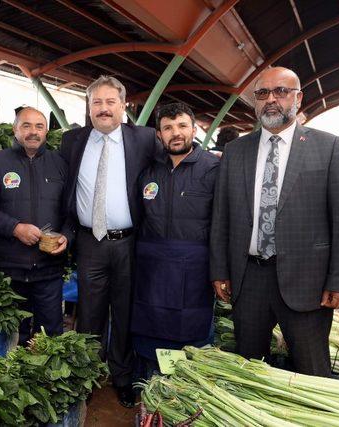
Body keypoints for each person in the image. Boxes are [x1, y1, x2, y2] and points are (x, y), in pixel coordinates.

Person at [209, 66, 339, 376]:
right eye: (262, 93)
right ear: (254, 102)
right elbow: (221, 215)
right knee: (250, 369)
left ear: (298, 98)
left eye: (280, 91)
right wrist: (220, 269)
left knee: (313, 370)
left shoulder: (327, 146)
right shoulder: (236, 151)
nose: (271, 99)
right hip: (249, 278)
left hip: (308, 281)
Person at [60, 75, 159, 407]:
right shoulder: (72, 141)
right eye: (96, 103)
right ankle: (87, 375)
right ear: (88, 107)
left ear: (123, 105)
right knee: (89, 313)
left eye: (110, 102)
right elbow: (64, 191)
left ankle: (121, 376)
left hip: (129, 243)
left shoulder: (145, 139)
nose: (103, 109)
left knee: (126, 311)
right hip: (89, 242)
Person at [131, 103, 219, 379]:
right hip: (151, 269)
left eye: (182, 126)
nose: (176, 133)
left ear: (195, 129)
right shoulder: (147, 171)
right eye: (168, 128)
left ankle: (184, 389)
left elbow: (224, 224)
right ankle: (148, 383)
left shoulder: (214, 168)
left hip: (195, 269)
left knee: (191, 331)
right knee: (149, 328)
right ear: (159, 135)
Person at [0, 107, 68, 346]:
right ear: (15, 129)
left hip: (49, 269)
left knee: (50, 339)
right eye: (26, 125)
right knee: (11, 339)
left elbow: (72, 210)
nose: (33, 132)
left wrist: (67, 236)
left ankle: (46, 383)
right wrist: (15, 228)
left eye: (39, 126)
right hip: (8, 270)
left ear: (46, 131)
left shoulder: (60, 163)